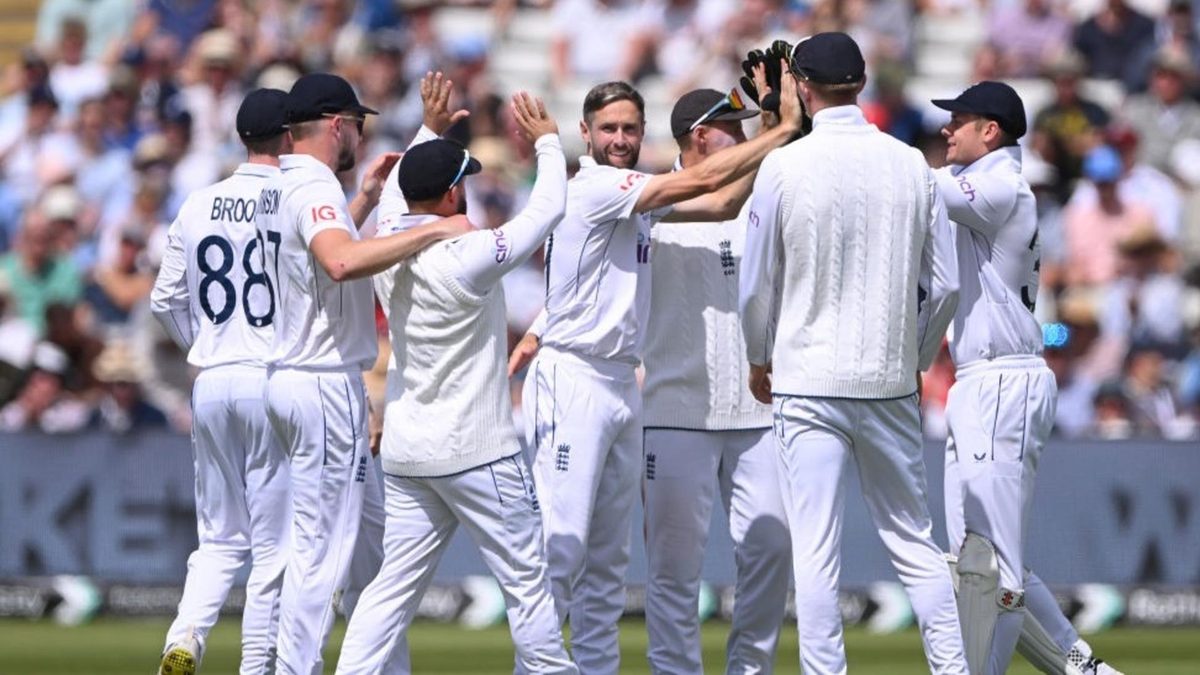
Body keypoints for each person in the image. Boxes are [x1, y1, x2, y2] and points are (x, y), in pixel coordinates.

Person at [507, 71, 801, 673]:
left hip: (617, 383)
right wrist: (788, 126)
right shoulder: (596, 185)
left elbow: (721, 200)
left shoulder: (638, 197)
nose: (620, 137)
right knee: (561, 552)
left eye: (630, 128)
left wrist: (774, 125)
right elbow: (710, 179)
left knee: (608, 566)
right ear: (584, 133)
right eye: (609, 128)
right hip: (576, 378)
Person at [738, 32, 965, 675]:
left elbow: (755, 282)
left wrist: (758, 356)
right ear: (860, 84)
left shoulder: (784, 165)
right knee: (916, 544)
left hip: (808, 379)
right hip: (887, 381)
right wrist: (914, 356)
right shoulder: (911, 163)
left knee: (815, 551)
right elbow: (945, 283)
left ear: (801, 88)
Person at [336, 93, 577, 675]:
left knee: (391, 588)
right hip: (478, 451)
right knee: (527, 580)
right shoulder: (468, 254)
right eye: (462, 182)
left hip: (410, 452)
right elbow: (544, 214)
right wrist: (547, 141)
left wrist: (426, 130)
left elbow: (397, 192)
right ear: (450, 194)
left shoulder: (388, 245)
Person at [255, 72, 471, 675]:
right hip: (320, 379)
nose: (359, 135)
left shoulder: (282, 186)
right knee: (323, 555)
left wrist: (369, 201)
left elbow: (319, 257)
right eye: (356, 123)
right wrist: (435, 228)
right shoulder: (314, 184)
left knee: (372, 555)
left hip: (304, 376)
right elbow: (342, 259)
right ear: (335, 125)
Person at [931, 80, 1124, 675]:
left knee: (995, 565)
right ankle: (1082, 668)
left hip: (1002, 381)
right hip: (980, 380)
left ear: (990, 131)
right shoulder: (986, 189)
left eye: (957, 120)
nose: (946, 130)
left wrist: (843, 141)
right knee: (978, 558)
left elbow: (912, 188)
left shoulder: (1000, 186)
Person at [640, 88, 789, 674]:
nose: (748, 137)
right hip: (677, 410)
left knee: (772, 550)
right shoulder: (649, 198)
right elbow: (718, 197)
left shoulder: (763, 193)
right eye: (736, 128)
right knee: (674, 568)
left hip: (759, 411)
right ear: (703, 136)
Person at [150, 88, 293, 675]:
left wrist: (204, 346)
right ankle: (256, 665)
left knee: (218, 538)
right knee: (275, 545)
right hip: (270, 377)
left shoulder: (199, 201)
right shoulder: (294, 197)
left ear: (241, 137)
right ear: (287, 137)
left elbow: (164, 299)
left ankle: (184, 641)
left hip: (211, 379)